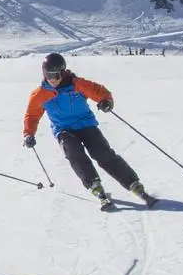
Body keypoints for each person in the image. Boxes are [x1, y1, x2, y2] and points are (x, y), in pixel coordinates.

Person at [22, 53, 155, 211]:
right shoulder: (39, 94)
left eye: (56, 75)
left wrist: (105, 101)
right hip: (63, 130)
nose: (52, 79)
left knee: (102, 153)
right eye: (48, 75)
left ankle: (134, 184)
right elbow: (32, 115)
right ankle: (94, 185)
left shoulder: (77, 84)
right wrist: (28, 133)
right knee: (73, 151)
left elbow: (99, 91)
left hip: (86, 125)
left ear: (63, 72)